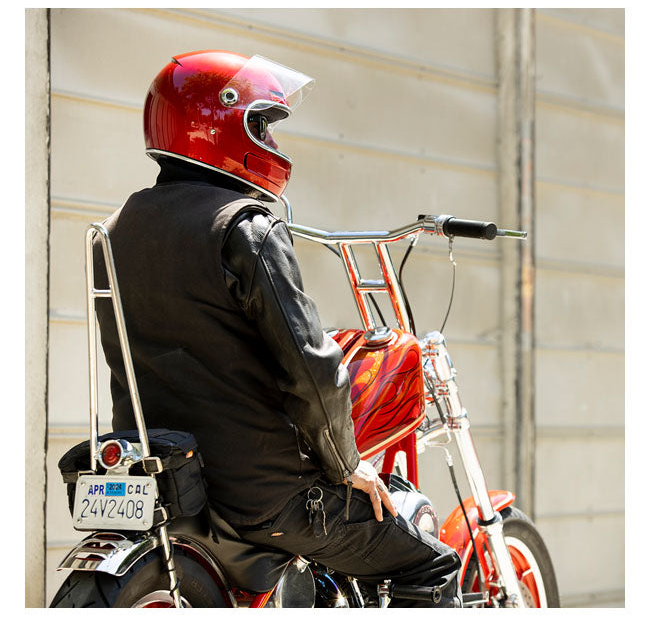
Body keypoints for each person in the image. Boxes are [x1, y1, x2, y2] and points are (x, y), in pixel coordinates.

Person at [94, 50, 461, 607]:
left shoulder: (116, 229)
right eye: (261, 124)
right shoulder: (245, 228)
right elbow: (314, 374)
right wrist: (347, 463)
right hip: (259, 496)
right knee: (430, 562)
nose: (271, 141)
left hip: (166, 481)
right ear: (222, 124)